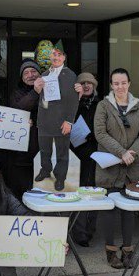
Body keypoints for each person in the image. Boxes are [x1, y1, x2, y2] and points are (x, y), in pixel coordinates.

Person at [94, 68, 139, 268]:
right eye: (116, 83)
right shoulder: (103, 105)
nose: (120, 86)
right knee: (109, 210)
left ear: (129, 83)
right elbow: (100, 133)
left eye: (123, 83)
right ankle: (110, 252)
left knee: (129, 210)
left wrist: (132, 153)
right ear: (111, 85)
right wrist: (121, 153)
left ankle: (127, 251)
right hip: (109, 166)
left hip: (132, 167)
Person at [35, 40, 79, 191]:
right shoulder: (45, 74)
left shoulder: (71, 75)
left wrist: (69, 121)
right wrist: (37, 89)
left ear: (64, 58)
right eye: (54, 54)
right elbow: (41, 98)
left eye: (59, 55)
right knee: (44, 149)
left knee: (62, 151)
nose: (56, 57)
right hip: (45, 119)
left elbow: (73, 100)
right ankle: (45, 169)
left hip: (62, 121)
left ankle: (60, 177)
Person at [70, 72, 102, 247]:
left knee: (94, 193)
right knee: (79, 193)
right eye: (83, 83)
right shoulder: (72, 103)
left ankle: (90, 230)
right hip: (76, 154)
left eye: (90, 83)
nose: (87, 85)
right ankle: (79, 232)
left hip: (96, 154)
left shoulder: (101, 105)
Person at [5, 59, 42, 198]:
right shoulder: (16, 93)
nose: (30, 75)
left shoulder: (50, 91)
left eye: (33, 71)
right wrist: (35, 92)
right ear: (22, 77)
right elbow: (18, 110)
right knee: (22, 192)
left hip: (43, 152)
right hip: (22, 155)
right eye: (26, 73)